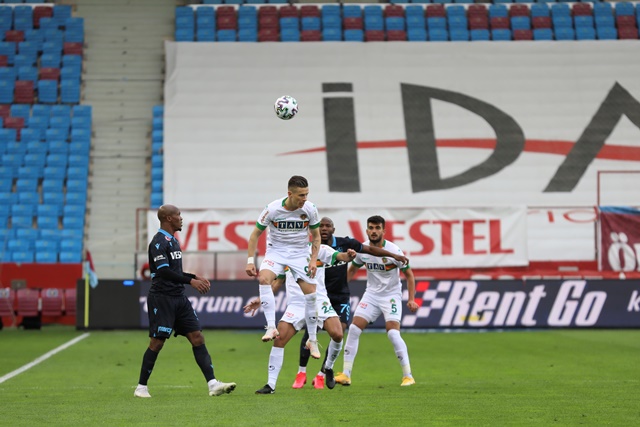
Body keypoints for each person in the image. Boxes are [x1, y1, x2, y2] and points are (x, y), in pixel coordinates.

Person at [292, 217, 409, 389]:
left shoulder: (344, 244)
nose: (324, 229)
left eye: (327, 226)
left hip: (340, 297)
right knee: (311, 332)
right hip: (320, 295)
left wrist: (393, 255)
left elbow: (368, 250)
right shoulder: (308, 249)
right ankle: (301, 372)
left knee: (338, 333)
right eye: (320, 226)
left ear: (333, 229)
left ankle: (324, 372)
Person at [134, 204, 236, 398]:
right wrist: (191, 281)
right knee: (157, 342)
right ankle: (141, 387)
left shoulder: (173, 241)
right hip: (162, 298)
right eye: (178, 215)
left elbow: (175, 271)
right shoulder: (158, 242)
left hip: (179, 298)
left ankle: (213, 384)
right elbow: (164, 271)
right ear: (169, 218)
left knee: (197, 337)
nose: (181, 218)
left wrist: (194, 276)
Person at [244, 244, 357, 394]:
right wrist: (260, 299)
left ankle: (328, 367)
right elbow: (277, 282)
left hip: (318, 300)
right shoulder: (283, 253)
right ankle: (270, 385)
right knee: (279, 339)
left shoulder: (318, 249)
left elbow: (340, 256)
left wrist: (349, 255)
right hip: (296, 304)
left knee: (337, 334)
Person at [334, 215, 419, 387]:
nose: (374, 231)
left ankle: (408, 376)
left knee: (393, 333)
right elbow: (352, 270)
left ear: (383, 231)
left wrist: (411, 299)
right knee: (354, 329)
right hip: (371, 295)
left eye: (377, 228)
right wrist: (340, 288)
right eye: (371, 228)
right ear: (367, 230)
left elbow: (409, 275)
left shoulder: (394, 251)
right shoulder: (362, 250)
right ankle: (346, 374)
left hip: (391, 296)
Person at [245, 175, 323, 359]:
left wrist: (313, 260)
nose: (305, 198)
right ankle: (271, 327)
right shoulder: (272, 209)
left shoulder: (310, 209)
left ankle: (312, 339)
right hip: (276, 252)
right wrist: (250, 261)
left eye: (307, 194)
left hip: (299, 253)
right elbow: (255, 235)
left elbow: (316, 236)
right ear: (290, 194)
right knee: (264, 279)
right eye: (301, 195)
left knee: (311, 294)